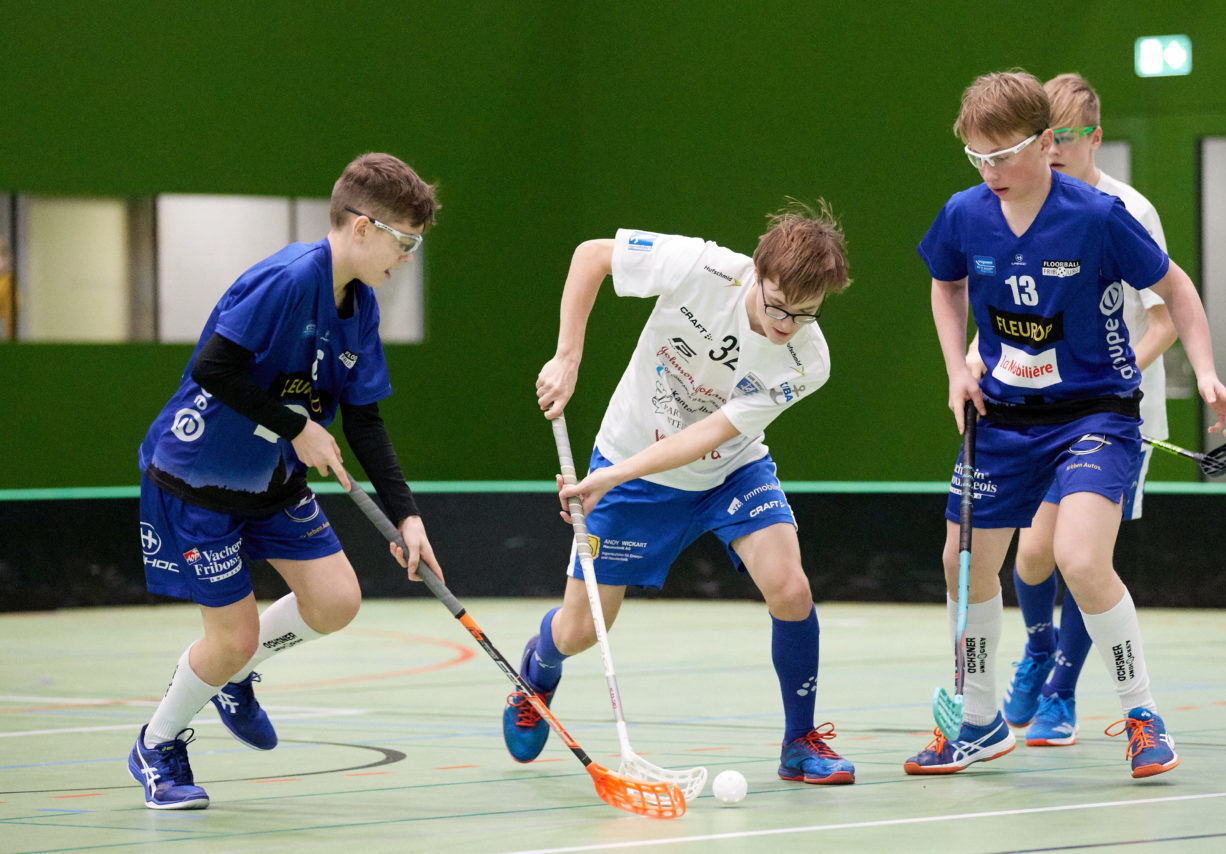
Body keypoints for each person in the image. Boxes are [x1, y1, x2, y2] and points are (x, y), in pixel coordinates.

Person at [906, 70, 1226, 779]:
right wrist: (957, 369)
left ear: (1044, 141)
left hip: (1094, 414)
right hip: (1002, 417)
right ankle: (979, 723)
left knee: (1081, 560)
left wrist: (1206, 371)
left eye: (1003, 155)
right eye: (977, 157)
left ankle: (1143, 717)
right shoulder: (965, 213)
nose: (991, 171)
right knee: (963, 561)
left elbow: (1175, 288)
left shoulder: (1098, 215)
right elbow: (946, 283)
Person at [130, 153, 443, 809]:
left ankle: (235, 675)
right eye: (405, 242)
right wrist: (297, 427)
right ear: (363, 227)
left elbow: (364, 420)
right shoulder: (288, 279)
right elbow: (213, 368)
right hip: (197, 480)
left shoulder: (361, 306)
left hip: (273, 481)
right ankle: (156, 745)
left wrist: (408, 516)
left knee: (336, 601)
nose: (407, 258)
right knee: (232, 637)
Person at [506, 202, 856, 785]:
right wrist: (568, 357)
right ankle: (538, 669)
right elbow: (592, 256)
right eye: (776, 305)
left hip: (729, 470)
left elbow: (708, 435)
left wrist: (607, 480)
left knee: (791, 588)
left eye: (804, 314)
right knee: (580, 631)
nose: (786, 323)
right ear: (757, 273)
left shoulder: (807, 360)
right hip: (632, 461)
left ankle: (800, 742)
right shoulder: (700, 266)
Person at [962, 74, 1179, 748]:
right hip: (1035, 417)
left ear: (1094, 137)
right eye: (1045, 138)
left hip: (1108, 415)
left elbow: (1166, 318)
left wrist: (1097, 383)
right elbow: (1005, 306)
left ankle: (1062, 692)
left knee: (1081, 559)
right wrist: (974, 360)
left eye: (1067, 137)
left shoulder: (1124, 211)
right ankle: (1039, 649)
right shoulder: (1014, 204)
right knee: (1032, 557)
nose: (1054, 150)